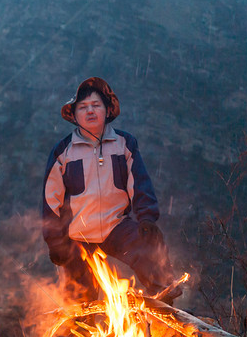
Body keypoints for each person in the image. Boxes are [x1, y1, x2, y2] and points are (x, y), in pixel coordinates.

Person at [42, 77, 179, 302]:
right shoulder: (63, 151)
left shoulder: (124, 143)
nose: (90, 111)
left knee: (151, 249)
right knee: (80, 300)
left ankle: (168, 309)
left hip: (116, 226)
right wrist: (55, 240)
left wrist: (147, 218)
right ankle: (80, 334)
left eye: (96, 105)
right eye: (83, 108)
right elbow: (50, 200)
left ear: (107, 110)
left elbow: (140, 182)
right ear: (74, 115)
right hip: (78, 233)